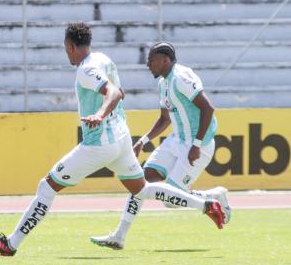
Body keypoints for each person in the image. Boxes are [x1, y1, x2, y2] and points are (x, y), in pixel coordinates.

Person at [0, 23, 226, 257]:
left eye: (66, 49)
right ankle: (205, 205)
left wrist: (99, 113)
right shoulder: (103, 59)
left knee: (47, 186)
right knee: (142, 189)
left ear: (70, 46)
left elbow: (114, 92)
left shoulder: (86, 70)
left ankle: (10, 243)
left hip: (100, 143)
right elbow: (119, 90)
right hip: (121, 139)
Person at [90, 42, 231, 250]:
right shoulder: (163, 83)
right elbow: (164, 119)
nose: (148, 64)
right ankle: (119, 236)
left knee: (171, 200)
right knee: (141, 180)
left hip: (197, 145)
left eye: (151, 59)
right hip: (176, 140)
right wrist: (143, 140)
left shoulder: (182, 77)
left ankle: (213, 196)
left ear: (166, 60)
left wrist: (197, 144)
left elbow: (208, 108)